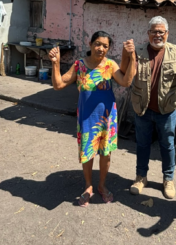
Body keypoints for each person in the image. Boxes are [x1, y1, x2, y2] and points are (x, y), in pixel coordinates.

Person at [48, 31, 136, 206]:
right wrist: (56, 64)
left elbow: (125, 82)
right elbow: (58, 84)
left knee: (105, 154)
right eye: (98, 44)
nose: (101, 48)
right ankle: (88, 186)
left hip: (106, 120)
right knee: (87, 155)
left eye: (105, 46)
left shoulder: (110, 65)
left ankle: (102, 185)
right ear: (90, 44)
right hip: (87, 119)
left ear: (108, 49)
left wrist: (132, 57)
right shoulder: (80, 65)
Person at [125, 17, 176, 200]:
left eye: (161, 31)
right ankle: (141, 177)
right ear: (148, 33)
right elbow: (127, 75)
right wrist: (127, 55)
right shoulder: (138, 51)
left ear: (167, 34)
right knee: (142, 144)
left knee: (167, 145)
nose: (157, 35)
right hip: (143, 109)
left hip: (166, 110)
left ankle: (168, 179)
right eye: (154, 31)